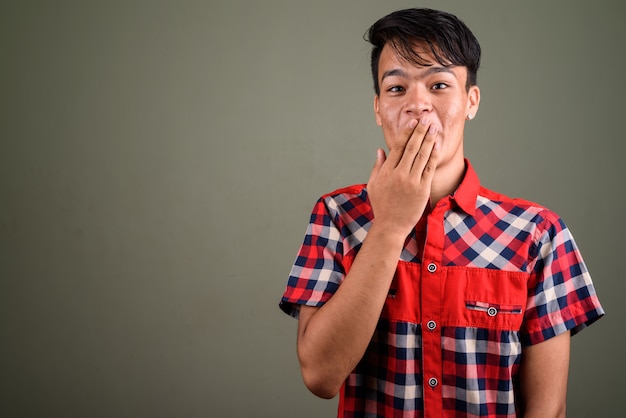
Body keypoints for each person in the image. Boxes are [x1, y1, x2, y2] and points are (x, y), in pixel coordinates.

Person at [279, 7, 604, 418]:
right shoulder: (336, 216)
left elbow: (549, 409)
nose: (418, 104)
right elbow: (320, 377)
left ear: (471, 101)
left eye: (438, 84)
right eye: (397, 89)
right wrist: (391, 227)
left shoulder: (538, 234)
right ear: (378, 107)